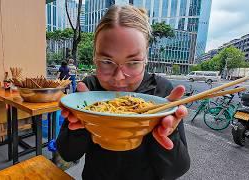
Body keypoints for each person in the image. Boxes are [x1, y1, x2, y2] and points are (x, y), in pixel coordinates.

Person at [56, 5, 190, 180]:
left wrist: (167, 132)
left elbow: (177, 170)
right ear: (95, 57)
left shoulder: (161, 92)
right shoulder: (89, 89)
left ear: (146, 58)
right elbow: (68, 154)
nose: (119, 77)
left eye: (133, 62)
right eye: (106, 61)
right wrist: (83, 124)